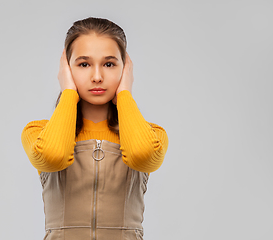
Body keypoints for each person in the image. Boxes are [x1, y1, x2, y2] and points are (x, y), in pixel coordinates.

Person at [21, 17, 169, 240]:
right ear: (66, 69)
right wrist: (69, 92)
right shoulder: (39, 132)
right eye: (83, 64)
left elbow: (142, 155)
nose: (97, 77)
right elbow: (53, 156)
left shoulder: (151, 134)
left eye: (109, 64)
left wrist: (124, 94)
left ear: (125, 68)